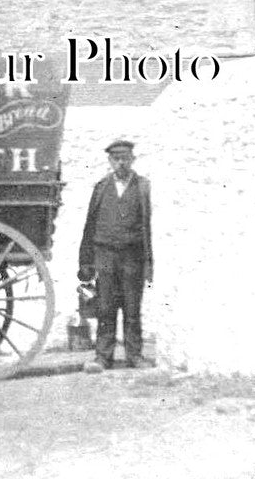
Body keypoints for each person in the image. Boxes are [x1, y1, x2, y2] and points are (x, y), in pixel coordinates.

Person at [78, 139, 154, 373]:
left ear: (132, 160)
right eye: (116, 159)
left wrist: (149, 262)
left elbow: (148, 226)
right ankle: (103, 358)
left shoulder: (142, 187)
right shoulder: (101, 187)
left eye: (125, 159)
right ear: (110, 161)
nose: (121, 163)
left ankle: (135, 356)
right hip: (105, 256)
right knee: (105, 308)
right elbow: (90, 224)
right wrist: (86, 261)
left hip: (132, 256)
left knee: (132, 309)